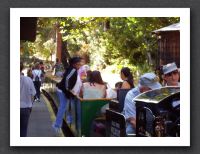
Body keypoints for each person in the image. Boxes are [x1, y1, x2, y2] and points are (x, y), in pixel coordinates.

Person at [52, 56, 82, 133]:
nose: (80, 65)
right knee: (63, 107)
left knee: (68, 105)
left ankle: (69, 119)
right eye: (79, 64)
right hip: (63, 91)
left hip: (65, 91)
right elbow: (67, 79)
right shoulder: (73, 70)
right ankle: (57, 125)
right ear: (74, 64)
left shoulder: (73, 69)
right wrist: (68, 90)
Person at [20, 62, 36, 137]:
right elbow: (33, 94)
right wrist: (30, 106)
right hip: (25, 108)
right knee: (23, 130)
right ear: (22, 68)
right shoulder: (28, 80)